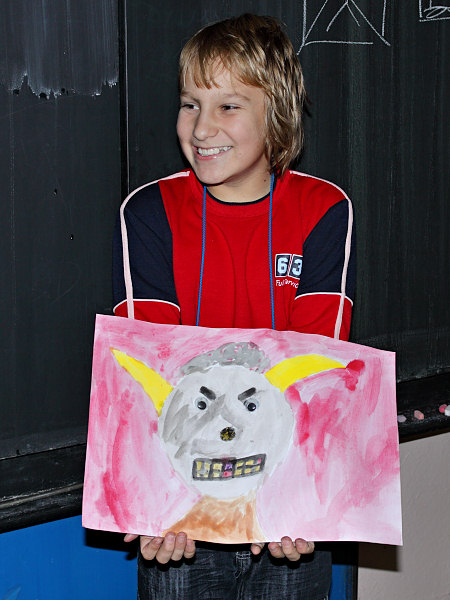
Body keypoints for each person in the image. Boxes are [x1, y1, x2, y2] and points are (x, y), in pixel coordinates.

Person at [113, 13, 355, 600]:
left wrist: (298, 499)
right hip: (184, 515)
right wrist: (156, 502)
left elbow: (317, 369)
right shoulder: (151, 210)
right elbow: (150, 368)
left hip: (287, 516)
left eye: (228, 106)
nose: (202, 128)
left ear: (278, 114)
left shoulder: (323, 208)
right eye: (190, 104)